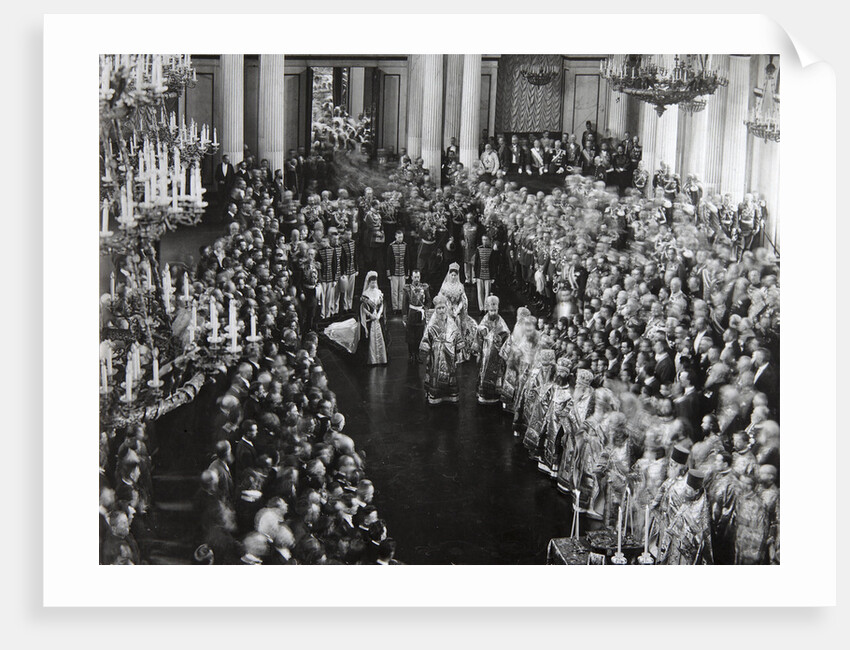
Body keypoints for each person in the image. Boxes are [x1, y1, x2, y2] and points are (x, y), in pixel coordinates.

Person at [419, 295, 463, 405]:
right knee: (436, 374)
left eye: (443, 308)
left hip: (450, 355)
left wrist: (459, 350)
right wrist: (425, 352)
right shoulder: (431, 324)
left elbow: (457, 335)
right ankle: (435, 395)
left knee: (450, 375)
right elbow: (426, 339)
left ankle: (449, 395)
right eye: (439, 308)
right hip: (436, 355)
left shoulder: (451, 322)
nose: (441, 310)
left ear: (446, 308)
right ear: (436, 309)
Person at [437, 262, 478, 363]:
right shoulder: (445, 286)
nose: (454, 277)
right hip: (447, 311)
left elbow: (463, 301)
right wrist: (448, 309)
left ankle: (458, 354)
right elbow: (441, 299)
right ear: (449, 275)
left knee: (458, 328)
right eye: (452, 275)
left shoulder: (460, 286)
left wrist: (457, 310)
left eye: (455, 275)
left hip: (456, 312)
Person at [475, 295, 510, 405]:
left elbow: (507, 337)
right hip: (486, 355)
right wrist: (478, 353)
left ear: (498, 309)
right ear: (487, 309)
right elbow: (478, 335)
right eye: (491, 310)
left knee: (497, 376)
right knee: (484, 373)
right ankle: (483, 395)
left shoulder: (502, 324)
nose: (493, 313)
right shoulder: (484, 322)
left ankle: (495, 395)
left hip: (497, 356)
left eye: (495, 310)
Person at [359, 271, 388, 366]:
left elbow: (382, 305)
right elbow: (363, 308)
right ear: (369, 283)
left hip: (378, 319)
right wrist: (370, 315)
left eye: (375, 282)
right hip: (370, 319)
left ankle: (381, 358)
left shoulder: (379, 292)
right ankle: (372, 359)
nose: (374, 284)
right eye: (372, 282)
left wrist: (379, 314)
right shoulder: (365, 293)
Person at [402, 269, 430, 362]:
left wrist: (425, 308)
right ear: (412, 277)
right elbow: (404, 303)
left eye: (418, 277)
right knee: (410, 337)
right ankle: (410, 355)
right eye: (415, 277)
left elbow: (429, 300)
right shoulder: (408, 288)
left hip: (420, 315)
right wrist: (404, 316)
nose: (417, 279)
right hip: (411, 314)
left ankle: (417, 355)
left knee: (419, 336)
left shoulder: (424, 287)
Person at [386, 228, 409, 315]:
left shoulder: (405, 245)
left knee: (402, 291)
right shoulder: (391, 246)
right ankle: (395, 308)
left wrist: (407, 273)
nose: (400, 239)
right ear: (395, 237)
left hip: (402, 272)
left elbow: (407, 260)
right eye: (399, 237)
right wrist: (389, 273)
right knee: (394, 291)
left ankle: (401, 307)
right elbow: (388, 260)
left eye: (401, 237)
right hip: (394, 273)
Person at [473, 233, 495, 313]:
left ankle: (486, 308)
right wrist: (475, 275)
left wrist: (493, 277)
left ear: (489, 240)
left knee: (487, 292)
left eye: (486, 240)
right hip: (479, 273)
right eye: (483, 240)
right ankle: (481, 308)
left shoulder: (491, 250)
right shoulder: (478, 249)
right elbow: (476, 263)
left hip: (488, 274)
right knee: (479, 292)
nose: (484, 241)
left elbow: (493, 264)